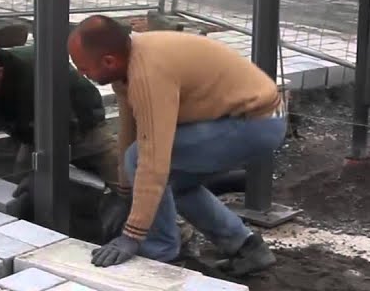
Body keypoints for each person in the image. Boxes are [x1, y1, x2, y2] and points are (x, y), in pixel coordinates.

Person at [66, 15, 285, 276]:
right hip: (239, 119)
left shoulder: (148, 73)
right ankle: (248, 247)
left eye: (83, 67)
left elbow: (152, 158)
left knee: (145, 162)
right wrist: (125, 192)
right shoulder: (128, 64)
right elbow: (129, 130)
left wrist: (132, 235)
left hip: (255, 122)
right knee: (175, 184)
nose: (81, 74)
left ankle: (160, 257)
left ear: (109, 61)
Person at [0, 37, 119, 216]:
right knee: (20, 191)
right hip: (34, 133)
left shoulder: (37, 73)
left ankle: (135, 228)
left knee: (122, 177)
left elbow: (64, 128)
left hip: (83, 125)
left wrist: (39, 176)